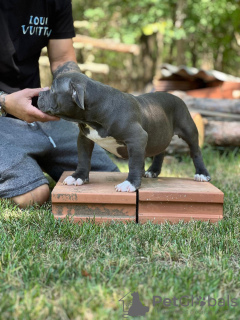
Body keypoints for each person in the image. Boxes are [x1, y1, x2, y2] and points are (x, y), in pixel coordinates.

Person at [0, 0, 119, 209]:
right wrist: (4, 102)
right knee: (33, 195)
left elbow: (63, 58)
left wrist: (80, 88)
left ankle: (29, 157)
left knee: (111, 181)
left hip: (39, 114)